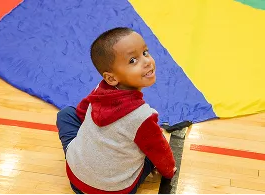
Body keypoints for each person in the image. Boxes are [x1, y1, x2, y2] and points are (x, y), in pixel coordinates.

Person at [56, 27, 176, 195]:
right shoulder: (143, 116)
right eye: (133, 60)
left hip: (76, 181)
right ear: (111, 78)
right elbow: (160, 151)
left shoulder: (101, 87)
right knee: (152, 145)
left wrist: (94, 136)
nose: (147, 61)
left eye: (145, 52)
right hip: (115, 191)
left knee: (66, 114)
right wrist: (169, 171)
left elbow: (83, 110)